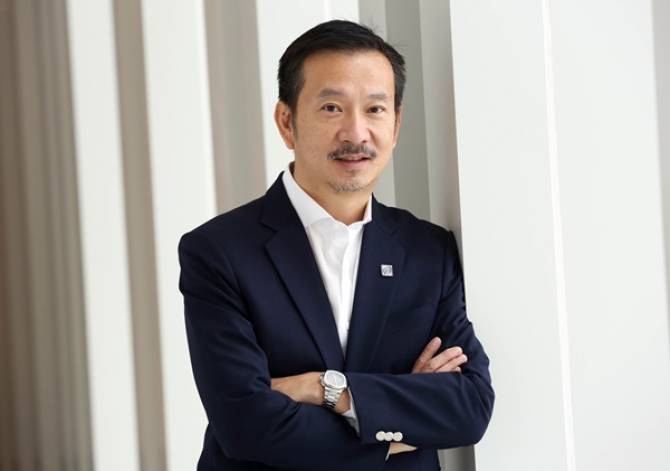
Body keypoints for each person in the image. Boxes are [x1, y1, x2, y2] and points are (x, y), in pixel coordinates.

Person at [178, 19, 493, 471]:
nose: (356, 133)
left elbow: (469, 407)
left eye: (375, 109)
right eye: (331, 108)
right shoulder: (219, 252)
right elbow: (246, 424)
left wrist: (325, 390)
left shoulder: (428, 250)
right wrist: (398, 426)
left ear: (396, 124)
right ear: (287, 122)